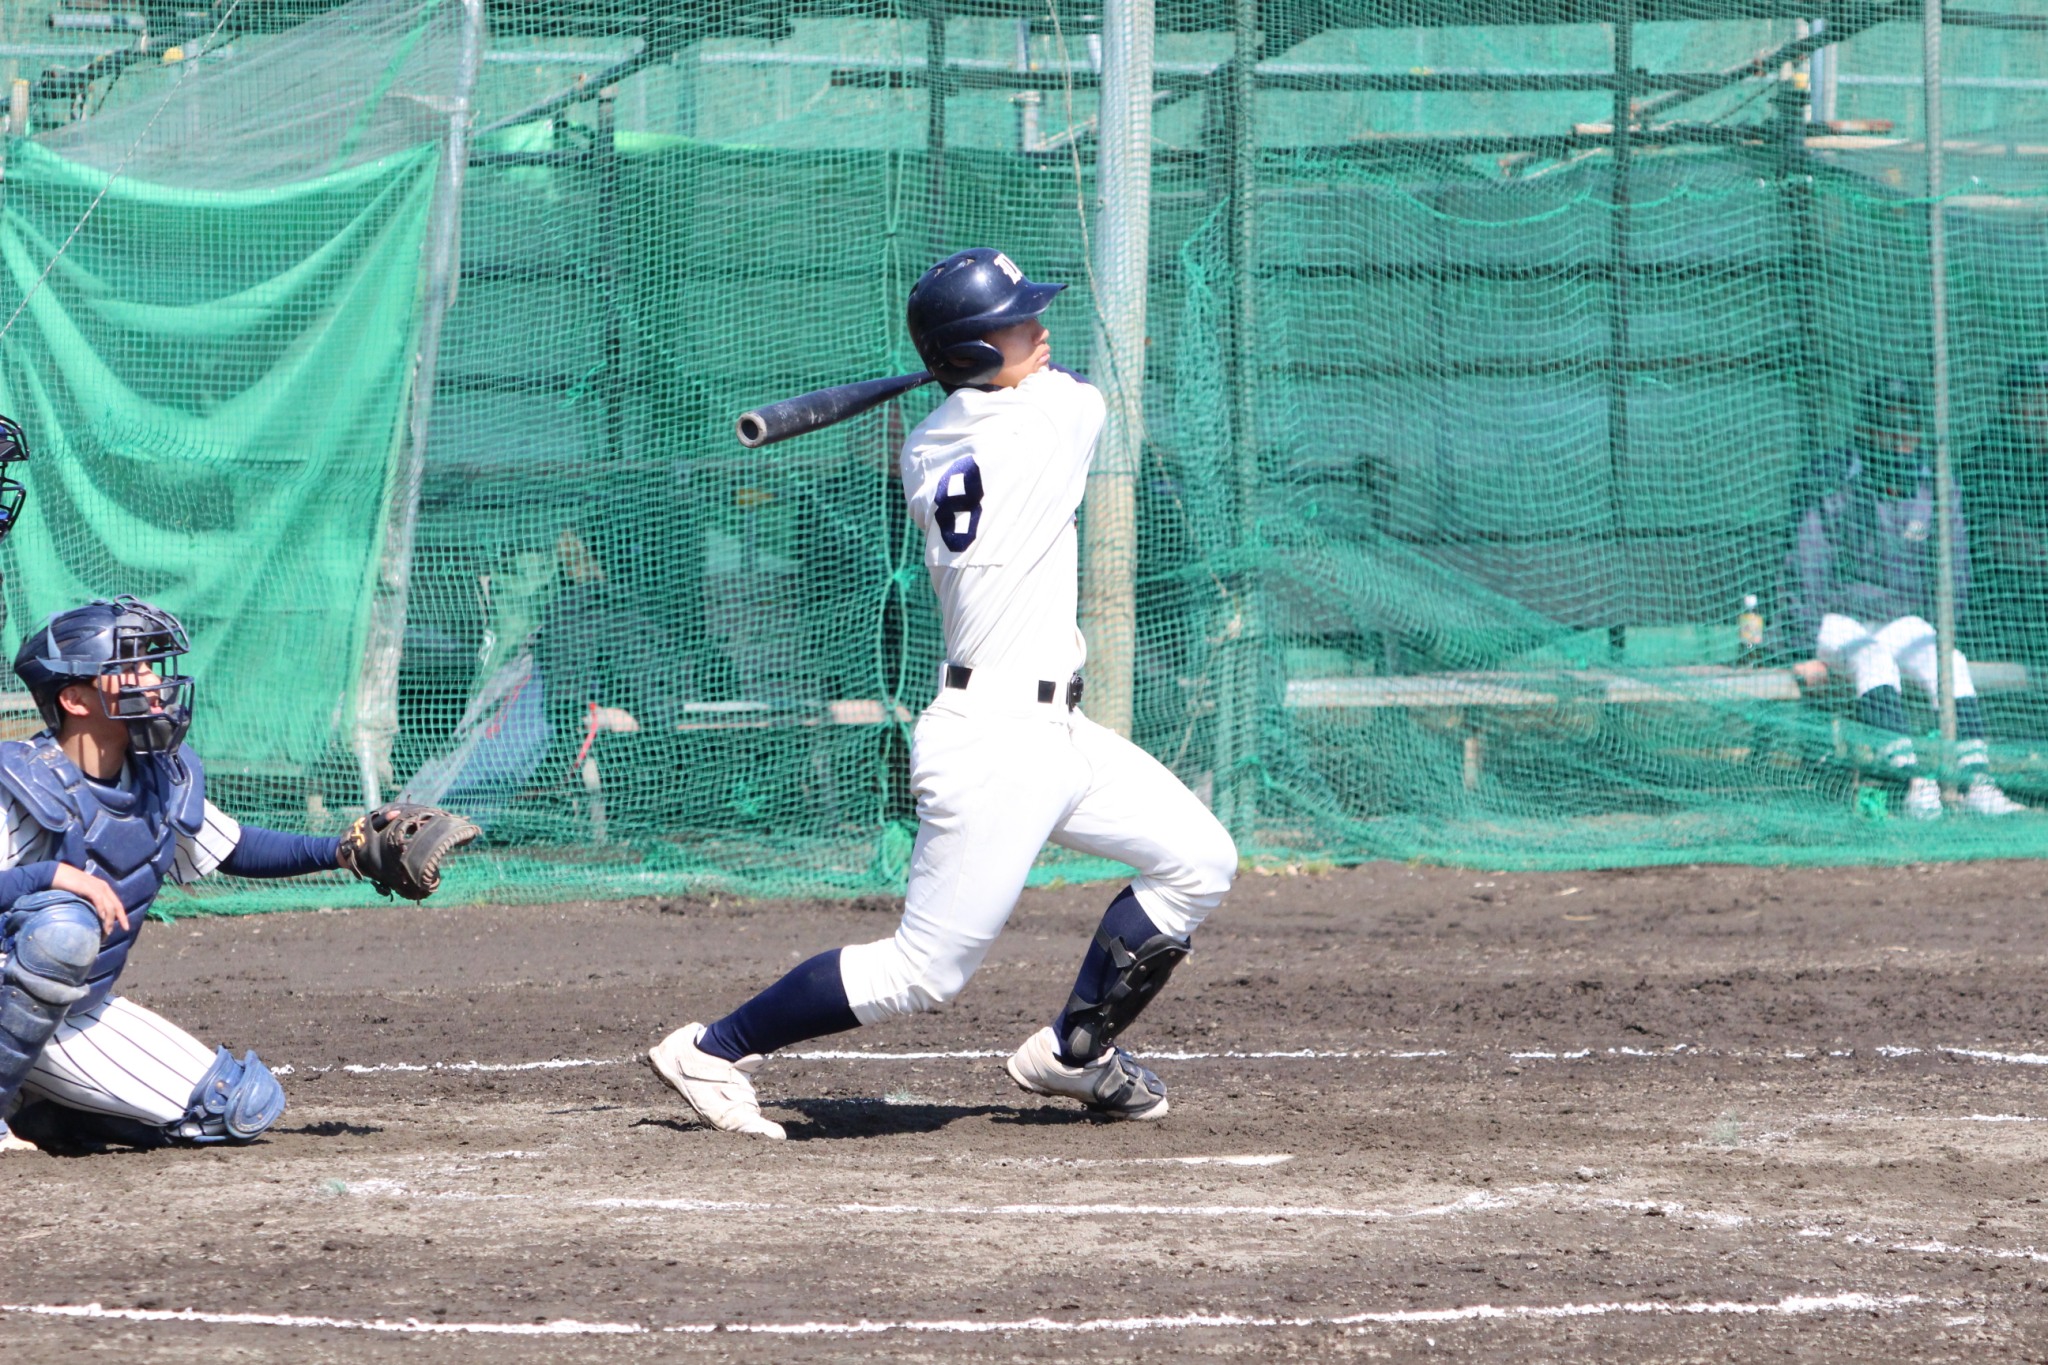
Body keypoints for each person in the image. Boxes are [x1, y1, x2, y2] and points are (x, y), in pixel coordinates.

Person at [647, 248, 1239, 1138]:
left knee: (1198, 859)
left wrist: (976, 362)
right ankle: (712, 1047)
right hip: (996, 741)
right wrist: (981, 367)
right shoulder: (1050, 420)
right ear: (972, 352)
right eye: (1015, 321)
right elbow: (1076, 392)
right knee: (923, 972)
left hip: (1056, 729)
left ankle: (1073, 1052)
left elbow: (1006, 390)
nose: (1039, 327)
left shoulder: (928, 443)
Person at [0, 596, 475, 1154]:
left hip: (65, 1009)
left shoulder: (156, 778)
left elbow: (235, 848)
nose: (152, 681)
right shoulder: (25, 784)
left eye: (150, 664)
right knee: (62, 929)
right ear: (75, 699)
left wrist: (343, 851)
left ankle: (50, 1107)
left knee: (236, 1104)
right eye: (131, 668)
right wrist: (51, 874)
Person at [1782, 377, 2024, 819]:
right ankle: (1913, 782)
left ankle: (1977, 782)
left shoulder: (1934, 484)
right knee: (1872, 658)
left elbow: (1953, 570)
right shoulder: (1832, 478)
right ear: (1865, 429)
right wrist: (1803, 648)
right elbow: (1806, 562)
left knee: (1949, 660)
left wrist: (1940, 630)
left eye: (1909, 426)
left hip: (1899, 619)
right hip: (1837, 619)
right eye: (1888, 425)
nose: (1900, 437)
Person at [1962, 359, 2048, 664]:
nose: (2042, 411)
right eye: (2031, 400)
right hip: (2003, 610)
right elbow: (2006, 543)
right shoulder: (1986, 458)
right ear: (2007, 405)